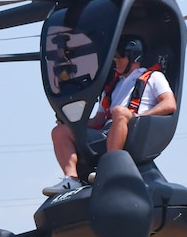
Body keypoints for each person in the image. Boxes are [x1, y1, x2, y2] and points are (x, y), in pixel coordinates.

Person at [42, 36, 177, 196]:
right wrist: (72, 124)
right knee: (60, 131)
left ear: (134, 57)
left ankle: (110, 168)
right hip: (107, 131)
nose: (116, 62)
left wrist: (139, 116)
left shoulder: (153, 77)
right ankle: (72, 179)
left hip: (134, 129)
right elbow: (99, 120)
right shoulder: (113, 86)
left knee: (120, 111)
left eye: (120, 58)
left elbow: (169, 104)